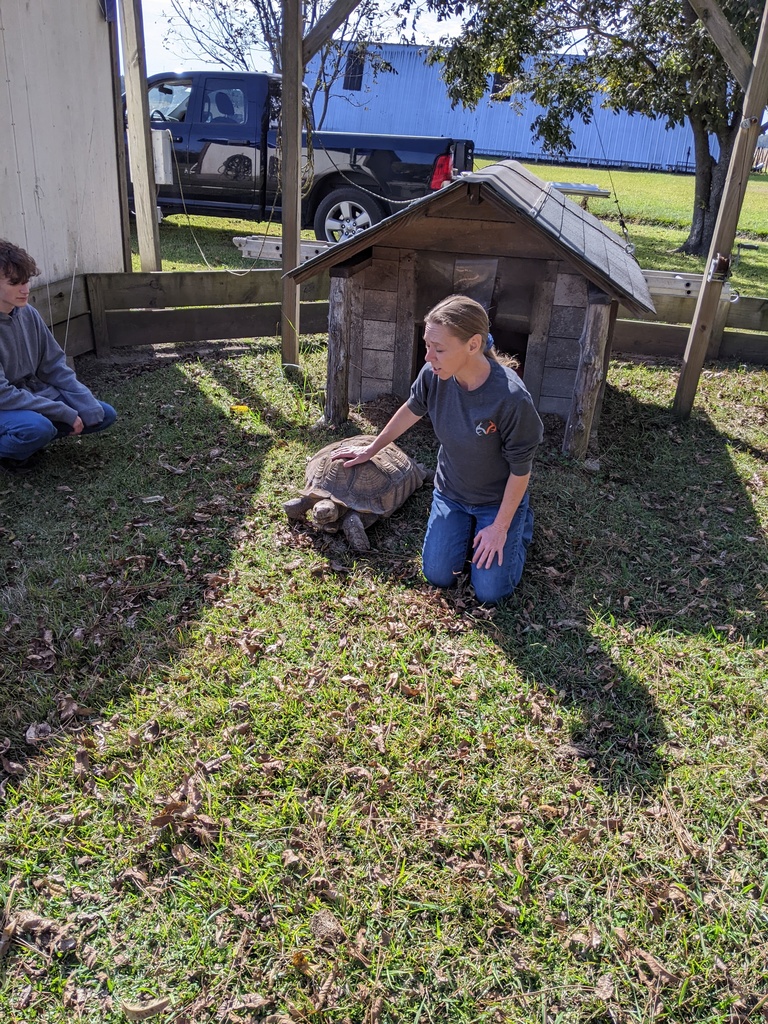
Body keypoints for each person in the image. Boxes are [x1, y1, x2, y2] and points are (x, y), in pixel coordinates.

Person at [334, 294, 544, 605]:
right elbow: (410, 410)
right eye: (427, 345)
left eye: (439, 349)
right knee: (438, 575)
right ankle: (471, 527)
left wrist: (500, 527)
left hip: (496, 501)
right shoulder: (434, 376)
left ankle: (517, 523)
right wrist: (371, 449)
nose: (428, 357)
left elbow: (520, 469)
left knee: (491, 591)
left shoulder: (512, 398)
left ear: (473, 345)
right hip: (452, 493)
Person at [0, 239, 117, 475]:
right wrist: (61, 412)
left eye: (27, 281)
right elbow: (3, 394)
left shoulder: (27, 313)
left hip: (29, 395)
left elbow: (53, 365)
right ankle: (13, 450)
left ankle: (31, 438)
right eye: (15, 283)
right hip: (5, 403)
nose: (26, 290)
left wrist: (84, 400)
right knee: (38, 428)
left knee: (102, 414)